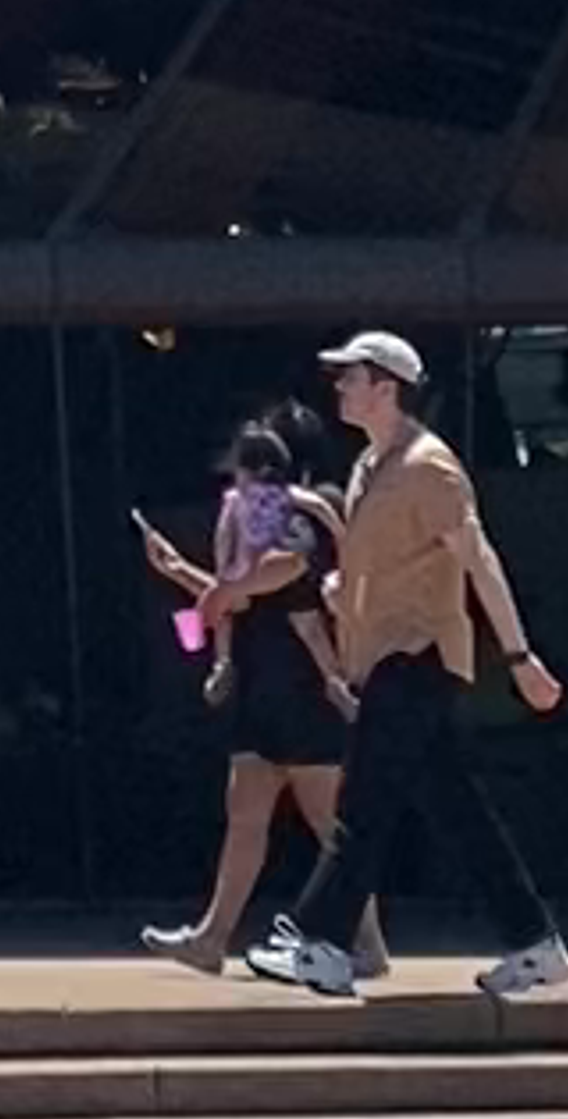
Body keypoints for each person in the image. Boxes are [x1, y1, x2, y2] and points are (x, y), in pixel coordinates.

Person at [249, 335, 568, 1000]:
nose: (338, 387)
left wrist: (518, 655)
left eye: (351, 377)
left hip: (417, 658)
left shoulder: (430, 468)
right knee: (458, 811)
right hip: (387, 657)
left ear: (387, 386)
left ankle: (323, 943)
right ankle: (535, 942)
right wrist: (345, 593)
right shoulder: (373, 465)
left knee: (362, 802)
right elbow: (386, 566)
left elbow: (477, 559)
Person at [133, 408, 387, 981]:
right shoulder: (245, 524)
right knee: (245, 819)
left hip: (306, 694)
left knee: (332, 829)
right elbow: (239, 600)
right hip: (260, 691)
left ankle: (368, 943)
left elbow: (283, 571)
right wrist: (179, 572)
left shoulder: (303, 512)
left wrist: (225, 586)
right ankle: (212, 937)